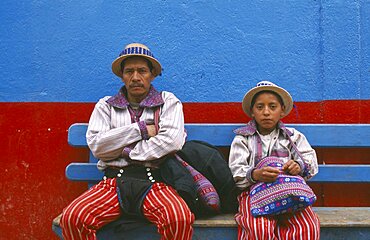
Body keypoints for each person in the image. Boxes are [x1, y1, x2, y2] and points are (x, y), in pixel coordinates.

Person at [60, 43, 194, 239]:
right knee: (73, 218)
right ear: (121, 75)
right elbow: (98, 146)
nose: (136, 77)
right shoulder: (105, 106)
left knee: (179, 219)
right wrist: (139, 130)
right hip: (112, 182)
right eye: (129, 71)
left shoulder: (168, 102)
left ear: (153, 74)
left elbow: (171, 141)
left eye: (142, 71)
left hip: (155, 181)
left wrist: (125, 151)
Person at [228, 81, 320, 240]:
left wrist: (298, 166)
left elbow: (310, 161)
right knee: (258, 230)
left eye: (272, 106)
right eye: (259, 107)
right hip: (253, 195)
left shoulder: (293, 137)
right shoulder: (243, 138)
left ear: (282, 110)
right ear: (252, 111)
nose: (266, 112)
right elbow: (236, 171)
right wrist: (256, 174)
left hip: (291, 194)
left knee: (307, 227)